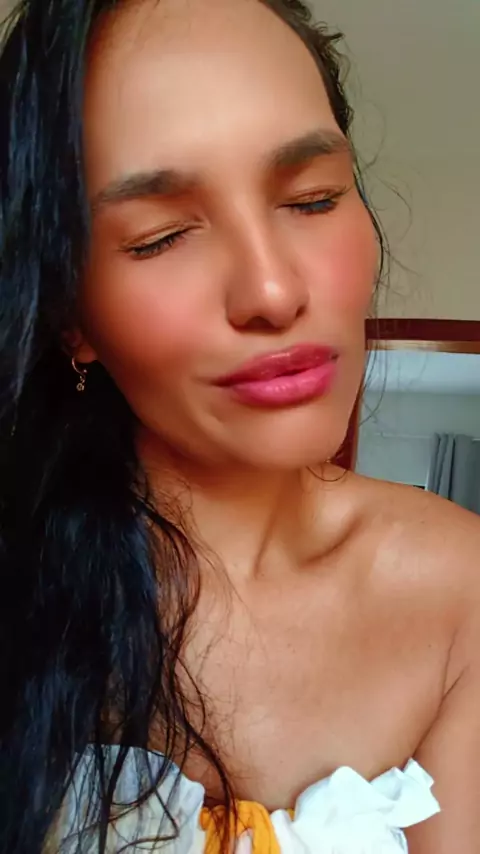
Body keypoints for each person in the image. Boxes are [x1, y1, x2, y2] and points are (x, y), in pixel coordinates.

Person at [1, 0, 480, 851]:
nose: (272, 291)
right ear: (72, 315)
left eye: (313, 198)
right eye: (160, 237)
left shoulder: (460, 591)